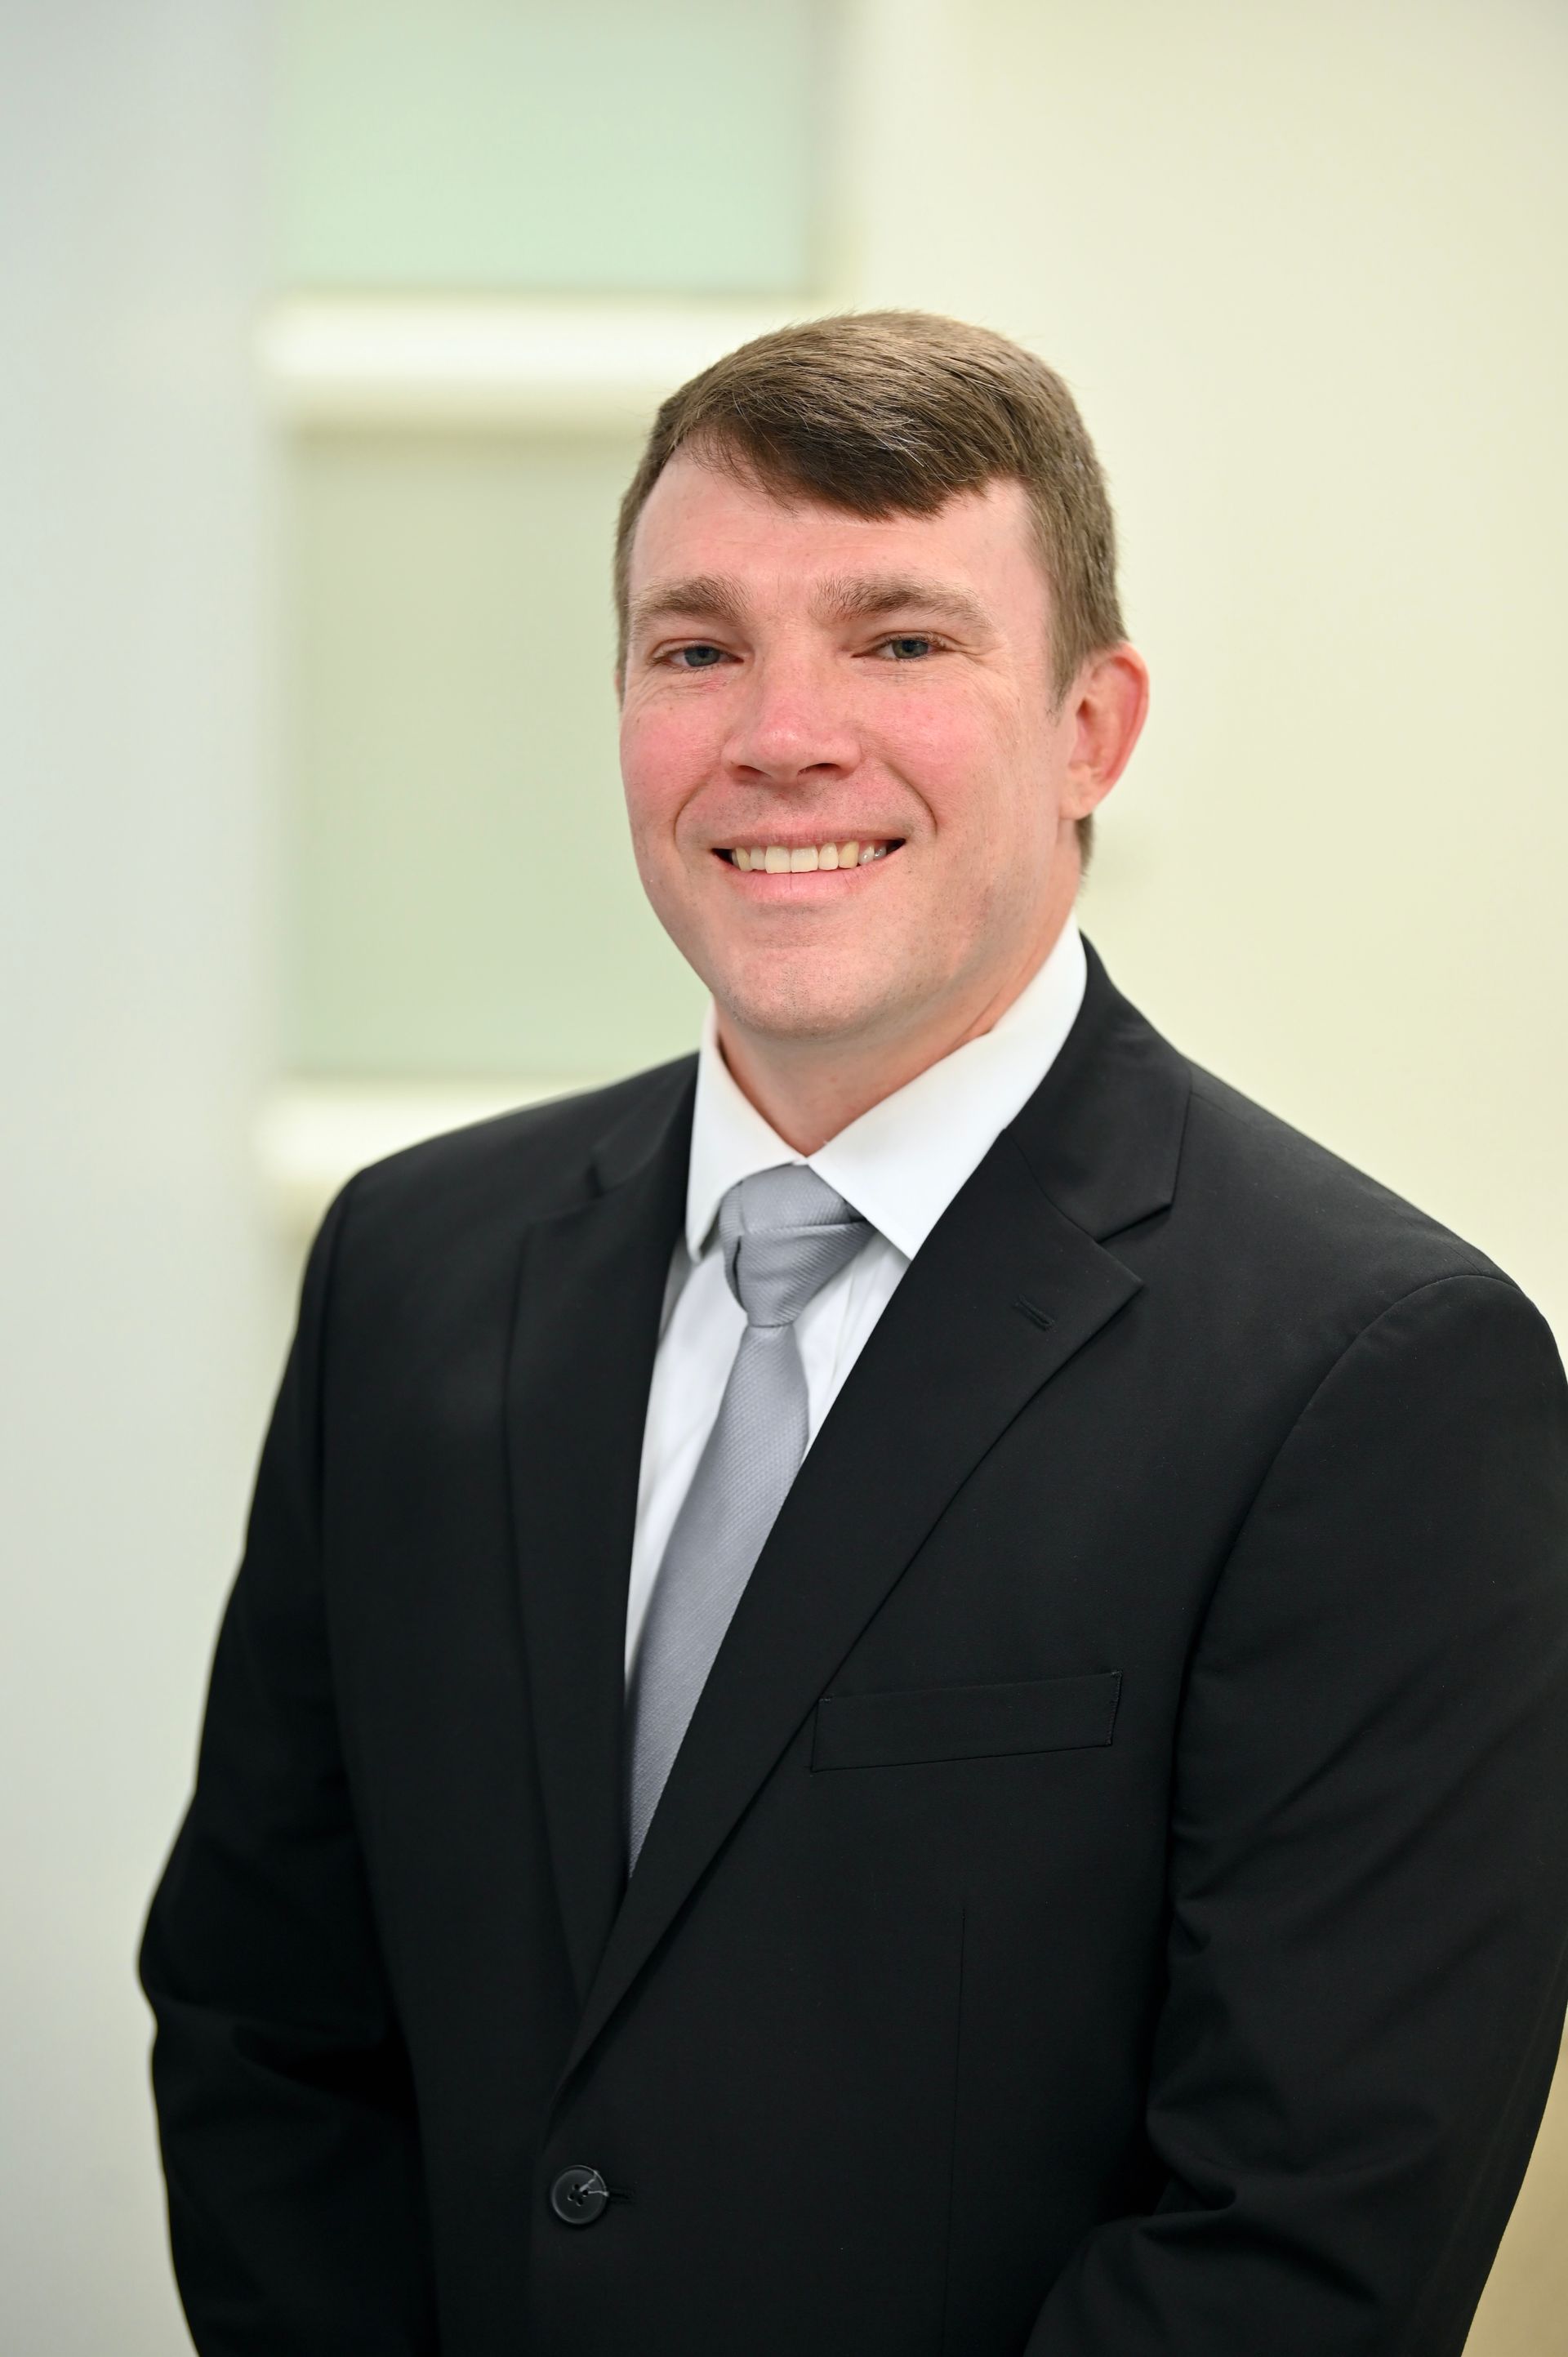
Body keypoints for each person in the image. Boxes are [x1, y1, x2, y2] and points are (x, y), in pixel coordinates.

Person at [140, 311, 1568, 2357]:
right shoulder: (414, 1272)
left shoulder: (1379, 1380)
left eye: (900, 640)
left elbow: (1306, 2232)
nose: (782, 735)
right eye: (695, 648)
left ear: (1092, 728)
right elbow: (267, 2024)